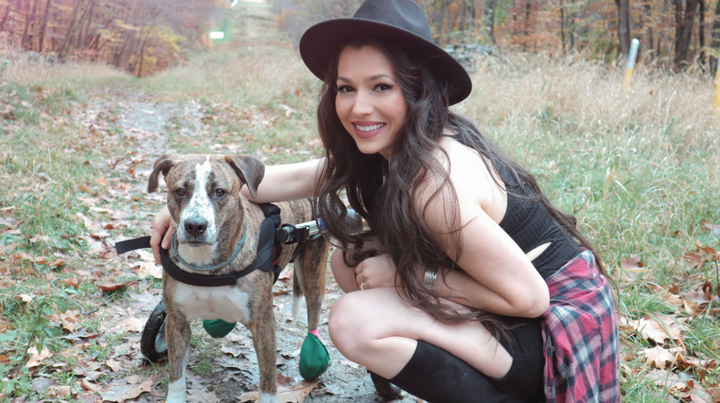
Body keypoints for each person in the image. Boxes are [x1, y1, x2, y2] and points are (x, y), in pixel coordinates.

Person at [151, 0, 620, 401]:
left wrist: (411, 277)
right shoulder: (389, 148)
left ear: (417, 90)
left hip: (550, 333)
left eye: (381, 87)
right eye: (345, 88)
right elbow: (281, 179)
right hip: (512, 307)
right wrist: (190, 205)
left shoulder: (433, 183)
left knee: (354, 321)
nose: (359, 108)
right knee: (349, 259)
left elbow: (531, 297)